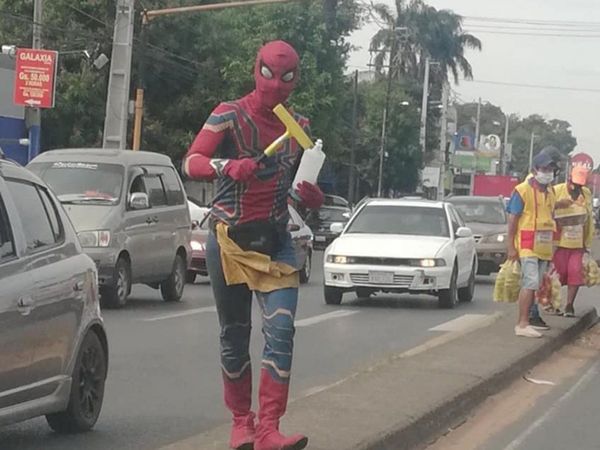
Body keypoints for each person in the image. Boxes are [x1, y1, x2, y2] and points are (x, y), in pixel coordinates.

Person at [183, 41, 323, 450]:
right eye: (269, 74)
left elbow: (296, 190)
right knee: (234, 333)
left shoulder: (298, 128)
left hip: (276, 239)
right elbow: (191, 161)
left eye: (287, 77)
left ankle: (269, 428)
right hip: (229, 239)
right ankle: (242, 422)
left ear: (296, 80)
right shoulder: (228, 115)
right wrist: (228, 166)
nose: (276, 84)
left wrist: (309, 198)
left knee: (281, 329)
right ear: (255, 69)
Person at [506, 151, 571, 338]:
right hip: (526, 243)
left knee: (536, 284)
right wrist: (511, 246)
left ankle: (527, 320)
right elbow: (512, 220)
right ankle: (522, 323)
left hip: (544, 245)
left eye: (551, 169)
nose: (548, 172)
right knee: (531, 282)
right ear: (535, 170)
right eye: (544, 169)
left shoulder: (550, 192)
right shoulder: (521, 190)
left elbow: (549, 214)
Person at [552, 153, 595, 318]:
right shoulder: (557, 191)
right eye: (574, 184)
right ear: (569, 179)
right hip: (559, 242)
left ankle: (569, 305)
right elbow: (547, 209)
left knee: (575, 273)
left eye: (579, 185)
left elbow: (589, 218)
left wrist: (587, 243)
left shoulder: (586, 194)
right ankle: (552, 303)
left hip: (578, 243)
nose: (576, 188)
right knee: (557, 275)